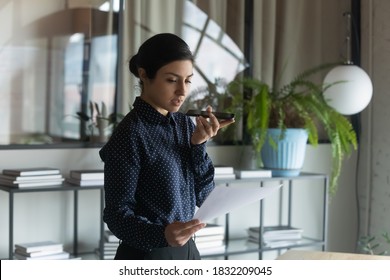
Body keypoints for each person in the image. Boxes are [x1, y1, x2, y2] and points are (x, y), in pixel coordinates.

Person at [99, 33, 234, 260]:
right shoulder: (130, 134)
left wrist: (198, 145)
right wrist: (162, 234)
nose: (182, 91)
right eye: (172, 80)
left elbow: (205, 197)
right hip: (147, 255)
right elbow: (116, 216)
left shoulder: (184, 125)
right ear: (144, 75)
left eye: (188, 80)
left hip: (189, 251)